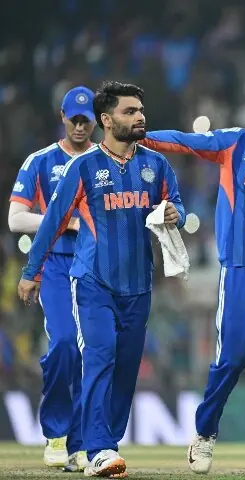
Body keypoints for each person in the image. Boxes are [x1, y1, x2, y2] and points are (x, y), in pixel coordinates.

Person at [139, 77, 245, 475]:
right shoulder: (237, 142)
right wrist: (139, 137)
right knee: (232, 358)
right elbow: (184, 142)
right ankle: (205, 431)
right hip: (242, 269)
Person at [17, 81, 186, 478]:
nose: (140, 117)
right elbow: (54, 221)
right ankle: (99, 448)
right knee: (98, 358)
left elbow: (175, 201)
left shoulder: (156, 164)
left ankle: (104, 442)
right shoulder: (84, 166)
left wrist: (174, 211)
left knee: (127, 370)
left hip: (139, 286)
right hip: (93, 282)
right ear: (107, 120)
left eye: (141, 110)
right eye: (130, 111)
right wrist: (32, 272)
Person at [8, 86, 95, 472]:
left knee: (94, 353)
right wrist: (65, 220)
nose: (79, 125)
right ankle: (57, 433)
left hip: (99, 266)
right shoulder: (40, 161)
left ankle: (83, 444)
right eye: (73, 118)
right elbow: (15, 218)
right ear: (62, 117)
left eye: (86, 118)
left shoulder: (109, 161)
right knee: (63, 344)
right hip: (58, 264)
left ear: (99, 120)